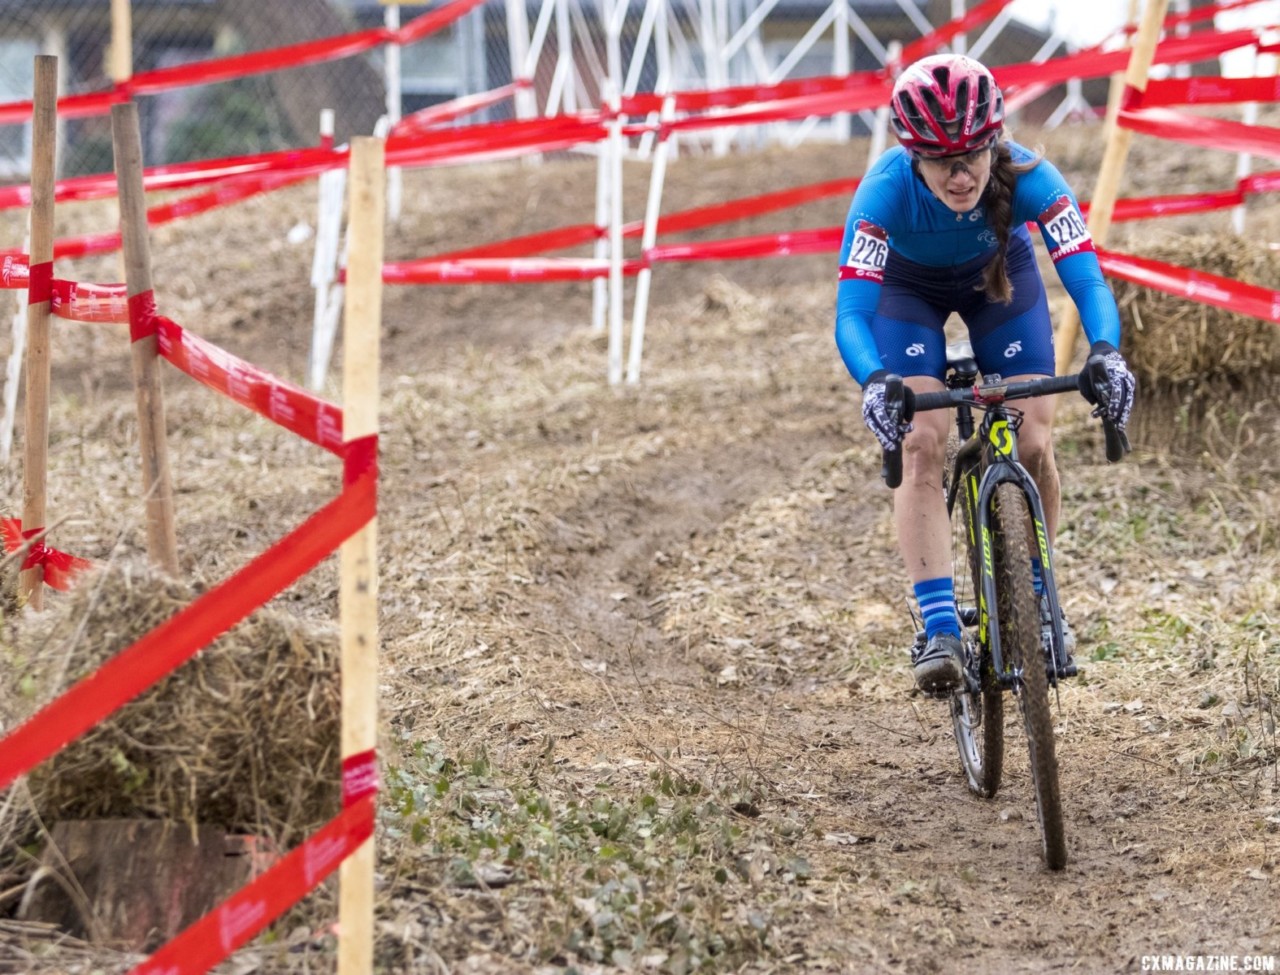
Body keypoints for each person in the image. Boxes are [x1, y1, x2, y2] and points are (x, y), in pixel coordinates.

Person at [834, 54, 1135, 693]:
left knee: (1032, 441)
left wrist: (1106, 349)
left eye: (972, 154)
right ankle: (939, 626)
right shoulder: (883, 191)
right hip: (906, 295)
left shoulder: (1032, 175)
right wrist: (874, 382)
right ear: (912, 155)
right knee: (920, 442)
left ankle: (1037, 598)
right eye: (941, 161)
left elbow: (1085, 276)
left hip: (999, 281)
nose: (960, 173)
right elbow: (852, 314)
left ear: (994, 140)